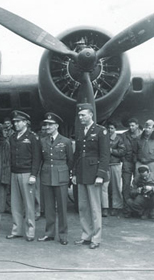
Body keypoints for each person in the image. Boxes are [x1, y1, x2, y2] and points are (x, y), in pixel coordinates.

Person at [72, 103, 109, 250]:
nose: (80, 117)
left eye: (83, 115)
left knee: (95, 208)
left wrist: (101, 174)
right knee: (83, 207)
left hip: (94, 174)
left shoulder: (101, 131)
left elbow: (105, 155)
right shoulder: (80, 131)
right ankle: (86, 235)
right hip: (81, 173)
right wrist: (74, 173)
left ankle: (96, 238)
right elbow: (77, 155)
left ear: (91, 115)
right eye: (79, 115)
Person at [37, 113, 73, 245]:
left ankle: (63, 235)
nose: (47, 127)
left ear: (57, 126)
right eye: (46, 124)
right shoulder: (42, 141)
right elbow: (40, 159)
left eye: (50, 124)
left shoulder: (66, 141)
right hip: (46, 175)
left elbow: (70, 160)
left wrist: (67, 174)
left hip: (61, 175)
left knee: (63, 208)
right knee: (49, 207)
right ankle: (49, 233)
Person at [6, 110, 41, 242]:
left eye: (18, 121)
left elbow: (37, 158)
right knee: (15, 204)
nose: (16, 124)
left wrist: (34, 174)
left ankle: (30, 231)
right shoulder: (13, 137)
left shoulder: (32, 137)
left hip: (27, 174)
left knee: (29, 204)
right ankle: (17, 230)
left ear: (25, 122)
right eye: (14, 122)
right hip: (15, 173)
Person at [103, 121, 125, 217]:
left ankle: (117, 207)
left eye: (112, 128)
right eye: (108, 128)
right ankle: (105, 207)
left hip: (115, 164)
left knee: (115, 186)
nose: (110, 130)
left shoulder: (119, 139)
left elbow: (122, 151)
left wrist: (111, 150)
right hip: (105, 165)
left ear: (115, 129)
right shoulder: (103, 138)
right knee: (104, 187)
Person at [121, 118, 142, 205]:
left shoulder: (142, 135)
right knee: (126, 183)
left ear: (137, 125)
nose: (131, 127)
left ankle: (138, 204)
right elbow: (121, 147)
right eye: (130, 126)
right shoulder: (124, 135)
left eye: (133, 125)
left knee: (138, 182)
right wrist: (124, 159)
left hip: (139, 161)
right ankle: (126, 205)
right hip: (127, 161)